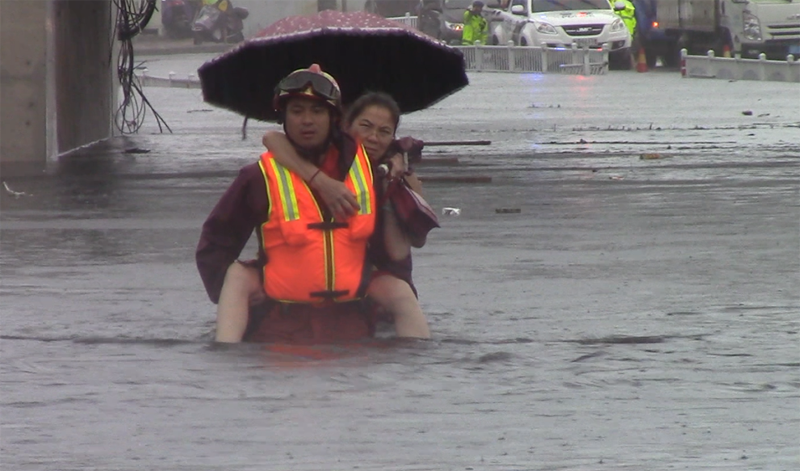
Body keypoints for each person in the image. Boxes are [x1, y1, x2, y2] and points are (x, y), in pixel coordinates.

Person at [196, 64, 382, 344]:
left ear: (334, 118)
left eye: (317, 111)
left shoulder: (369, 172)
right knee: (237, 275)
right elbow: (215, 244)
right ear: (283, 118)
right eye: (297, 111)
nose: (307, 120)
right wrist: (242, 293)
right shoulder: (258, 177)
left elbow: (392, 251)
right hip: (278, 329)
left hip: (351, 327)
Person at [262, 92, 432, 340]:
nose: (373, 138)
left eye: (384, 131)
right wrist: (319, 181)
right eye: (365, 127)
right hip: (328, 276)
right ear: (345, 127)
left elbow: (405, 248)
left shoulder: (400, 175)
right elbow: (271, 138)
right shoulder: (330, 163)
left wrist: (392, 189)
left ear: (392, 138)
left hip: (384, 281)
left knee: (400, 295)